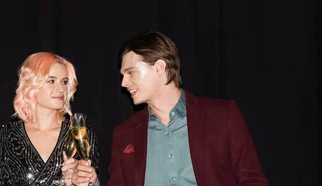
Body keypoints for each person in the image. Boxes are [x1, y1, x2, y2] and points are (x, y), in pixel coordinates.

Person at [107, 31, 268, 186]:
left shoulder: (222, 116)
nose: (123, 83)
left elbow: (253, 180)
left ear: (159, 67)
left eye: (131, 73)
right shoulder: (124, 134)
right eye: (123, 75)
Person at [0, 52, 101, 186]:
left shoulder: (81, 135)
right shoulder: (9, 135)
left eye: (64, 82)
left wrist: (88, 181)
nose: (61, 88)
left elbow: (94, 182)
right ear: (31, 84)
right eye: (51, 81)